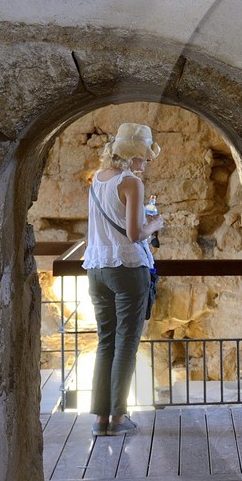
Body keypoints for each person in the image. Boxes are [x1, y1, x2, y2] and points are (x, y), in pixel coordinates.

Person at [82, 122, 166, 436]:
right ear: (132, 155)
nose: (148, 161)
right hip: (128, 268)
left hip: (97, 267)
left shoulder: (97, 178)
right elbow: (134, 234)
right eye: (144, 155)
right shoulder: (131, 182)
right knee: (126, 345)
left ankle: (100, 419)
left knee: (105, 343)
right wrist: (155, 224)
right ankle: (118, 418)